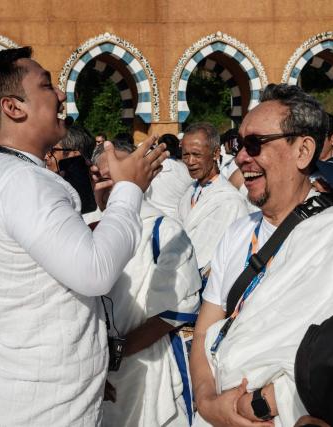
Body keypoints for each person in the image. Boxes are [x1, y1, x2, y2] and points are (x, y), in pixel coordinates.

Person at [0, 46, 168, 426]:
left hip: (2, 393)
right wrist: (130, 190)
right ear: (14, 107)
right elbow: (95, 271)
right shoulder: (22, 181)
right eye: (47, 86)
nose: (61, 95)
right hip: (41, 409)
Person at [190, 84, 333, 427]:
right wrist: (207, 403)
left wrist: (261, 405)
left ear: (303, 150)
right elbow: (205, 332)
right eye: (238, 144)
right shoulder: (237, 234)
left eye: (255, 144)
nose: (240, 158)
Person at [91, 142, 201, 427]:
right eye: (101, 175)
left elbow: (173, 312)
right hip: (96, 375)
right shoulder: (87, 233)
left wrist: (114, 356)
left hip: (148, 369)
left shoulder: (163, 231)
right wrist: (93, 368)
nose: (108, 183)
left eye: (117, 174)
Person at [177, 122, 249, 276]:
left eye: (196, 155)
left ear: (216, 153)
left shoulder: (231, 201)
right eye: (185, 155)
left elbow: (235, 253)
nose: (190, 162)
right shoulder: (188, 193)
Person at [45, 125, 97, 214]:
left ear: (74, 154)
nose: (46, 156)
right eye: (46, 150)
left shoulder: (98, 210)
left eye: (52, 151)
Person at [145, 133, 193, 221]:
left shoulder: (148, 168)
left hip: (152, 220)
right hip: (179, 222)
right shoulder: (187, 169)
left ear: (159, 147)